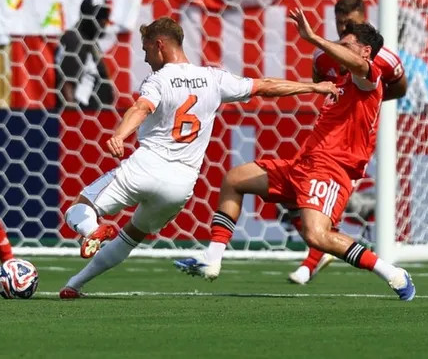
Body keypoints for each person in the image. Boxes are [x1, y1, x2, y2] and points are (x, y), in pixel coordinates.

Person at [58, 17, 338, 298]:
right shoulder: (213, 78)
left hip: (146, 167)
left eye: (146, 50)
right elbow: (266, 86)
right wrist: (314, 88)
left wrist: (120, 135)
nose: (145, 58)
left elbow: (141, 108)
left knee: (80, 208)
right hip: (180, 185)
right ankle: (74, 284)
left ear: (159, 45)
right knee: (131, 236)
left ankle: (92, 231)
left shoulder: (158, 80)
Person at [175, 9, 417, 302]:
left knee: (317, 236)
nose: (339, 48)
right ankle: (212, 259)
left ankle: (392, 273)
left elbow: (360, 65)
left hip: (331, 170)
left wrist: (313, 38)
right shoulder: (340, 81)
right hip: (303, 166)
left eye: (346, 45)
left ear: (366, 51)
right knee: (234, 179)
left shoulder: (369, 79)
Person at [287, 0, 406, 285]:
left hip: (358, 139)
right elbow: (321, 84)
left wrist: (366, 102)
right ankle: (320, 252)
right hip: (328, 137)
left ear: (363, 20)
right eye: (340, 23)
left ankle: (316, 258)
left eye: (349, 23)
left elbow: (400, 87)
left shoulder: (382, 59)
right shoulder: (323, 56)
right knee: (298, 192)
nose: (343, 28)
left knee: (331, 199)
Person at [56, 0, 115, 110]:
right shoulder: (75, 40)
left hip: (96, 115)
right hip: (84, 116)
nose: (104, 21)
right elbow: (67, 83)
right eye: (99, 16)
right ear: (86, 17)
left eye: (105, 16)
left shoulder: (89, 40)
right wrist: (72, 116)